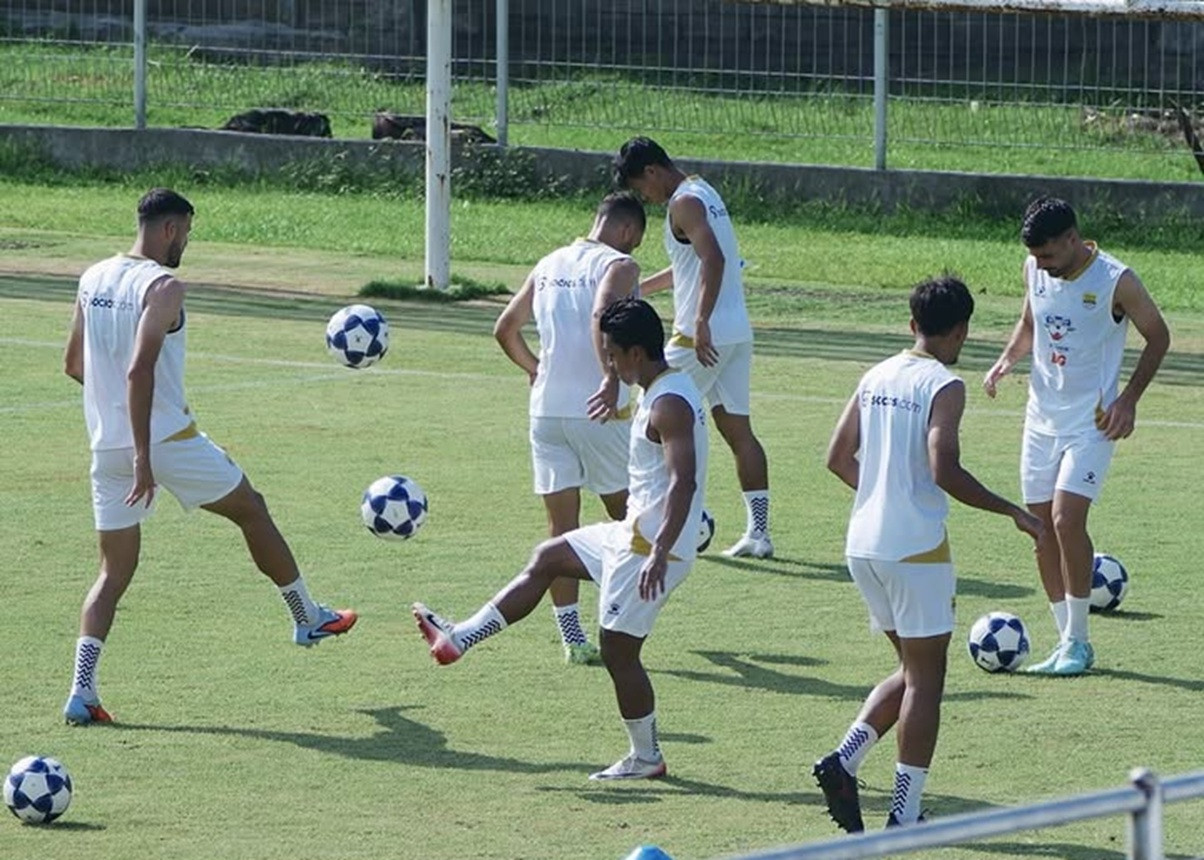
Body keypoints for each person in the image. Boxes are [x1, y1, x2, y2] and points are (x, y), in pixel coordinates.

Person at [60, 188, 356, 726]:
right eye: (188, 233)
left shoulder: (93, 276)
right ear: (170, 229)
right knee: (253, 510)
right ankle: (306, 616)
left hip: (106, 448)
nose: (187, 244)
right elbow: (138, 369)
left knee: (112, 573)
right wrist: (147, 456)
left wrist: (120, 431)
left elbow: (75, 365)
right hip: (168, 444)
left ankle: (81, 691)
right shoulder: (165, 286)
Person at [412, 297, 708, 781]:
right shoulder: (658, 386)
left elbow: (684, 482)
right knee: (550, 556)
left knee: (618, 651)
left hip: (650, 549)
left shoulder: (669, 403)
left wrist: (659, 551)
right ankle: (459, 638)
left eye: (612, 354)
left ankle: (647, 757)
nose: (607, 363)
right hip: (631, 534)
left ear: (635, 352)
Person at [817, 276, 1042, 831]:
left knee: (912, 669)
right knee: (927, 682)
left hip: (862, 546)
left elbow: (838, 457)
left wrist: (882, 493)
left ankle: (843, 761)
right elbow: (944, 468)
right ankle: (905, 812)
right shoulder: (945, 384)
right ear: (962, 330)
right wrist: (1013, 510)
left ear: (912, 324)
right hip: (914, 548)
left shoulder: (875, 374)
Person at [984, 196, 1169, 676]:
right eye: (1036, 257)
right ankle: (1066, 640)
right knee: (1040, 529)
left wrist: (1128, 400)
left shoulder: (1116, 281)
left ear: (1071, 239)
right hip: (1040, 420)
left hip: (1091, 423)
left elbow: (1158, 336)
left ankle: (1081, 644)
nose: (1041, 265)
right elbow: (1030, 323)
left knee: (1067, 519)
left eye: (1048, 255)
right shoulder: (1035, 270)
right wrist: (1007, 360)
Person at [492, 192, 646, 665]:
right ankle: (620, 624)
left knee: (562, 530)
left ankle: (571, 638)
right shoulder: (619, 265)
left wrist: (537, 370)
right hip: (601, 411)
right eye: (637, 239)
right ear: (625, 230)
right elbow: (603, 316)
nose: (635, 249)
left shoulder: (550, 262)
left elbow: (505, 328)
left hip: (547, 412)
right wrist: (608, 375)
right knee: (631, 524)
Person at [612, 137, 772, 559]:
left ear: (651, 172)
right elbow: (692, 262)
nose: (645, 198)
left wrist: (700, 321)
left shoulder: (682, 203)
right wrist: (641, 289)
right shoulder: (703, 190)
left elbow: (715, 259)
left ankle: (644, 522)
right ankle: (759, 533)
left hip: (700, 335)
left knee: (649, 412)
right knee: (737, 430)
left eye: (641, 188)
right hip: (737, 332)